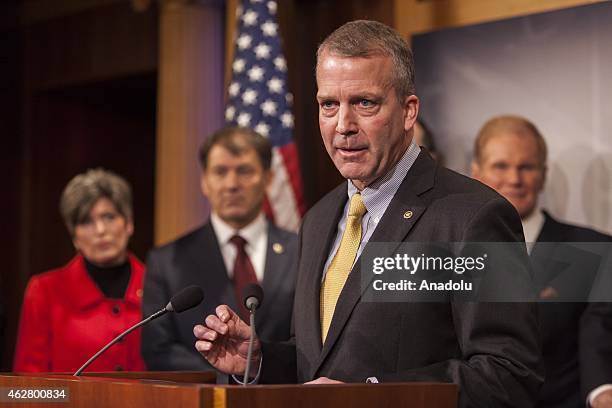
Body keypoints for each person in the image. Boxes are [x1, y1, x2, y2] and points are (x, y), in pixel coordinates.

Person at [194, 20, 542, 407]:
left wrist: (371, 395)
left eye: (365, 103)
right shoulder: (320, 219)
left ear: (409, 111)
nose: (343, 126)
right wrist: (259, 360)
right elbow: (323, 364)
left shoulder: (472, 216)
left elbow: (508, 375)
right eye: (329, 105)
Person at [472, 115, 612, 408]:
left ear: (543, 175)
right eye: (501, 166)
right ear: (477, 172)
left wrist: (602, 393)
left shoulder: (593, 250)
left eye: (527, 167)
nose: (514, 179)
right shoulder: (450, 253)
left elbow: (597, 339)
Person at [142, 127, 297, 371]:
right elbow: (158, 350)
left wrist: (262, 367)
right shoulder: (167, 261)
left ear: (268, 178)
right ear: (204, 182)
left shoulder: (302, 251)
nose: (232, 184)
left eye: (244, 171)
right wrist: (229, 375)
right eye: (220, 172)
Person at [13, 169, 145, 372]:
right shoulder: (45, 291)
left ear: (129, 224)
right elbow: (28, 391)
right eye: (86, 221)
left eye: (109, 217)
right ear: (74, 236)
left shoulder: (159, 285)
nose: (100, 230)